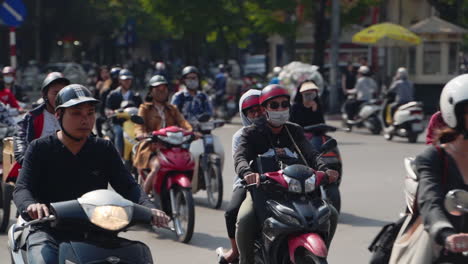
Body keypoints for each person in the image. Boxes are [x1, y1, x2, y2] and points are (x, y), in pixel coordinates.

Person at [13, 84, 170, 264]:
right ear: (58, 115)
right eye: (76, 113)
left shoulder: (103, 148)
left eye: (90, 113)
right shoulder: (39, 148)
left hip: (98, 229)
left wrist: (149, 208)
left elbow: (128, 186)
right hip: (49, 230)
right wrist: (31, 206)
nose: (85, 120)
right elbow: (22, 188)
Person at [234, 84, 339, 264]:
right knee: (244, 219)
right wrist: (248, 173)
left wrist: (324, 169)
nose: (280, 109)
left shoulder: (294, 130)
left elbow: (311, 154)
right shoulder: (251, 133)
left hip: (297, 189)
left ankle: (319, 254)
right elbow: (240, 157)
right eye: (274, 106)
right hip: (263, 189)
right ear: (265, 108)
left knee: (331, 213)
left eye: (284, 104)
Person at [415, 74, 468, 263]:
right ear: (457, 115)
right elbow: (431, 202)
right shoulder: (434, 158)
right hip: (447, 245)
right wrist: (446, 234)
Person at [216, 89, 263, 263]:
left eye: (260, 108)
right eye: (252, 111)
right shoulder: (241, 135)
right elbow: (240, 160)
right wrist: (249, 173)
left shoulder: (280, 129)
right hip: (247, 182)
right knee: (232, 213)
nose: (257, 114)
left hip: (278, 180)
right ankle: (236, 252)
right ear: (245, 115)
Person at [132, 75, 192, 193]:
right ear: (151, 91)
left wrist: (191, 132)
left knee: (188, 161)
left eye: (164, 89)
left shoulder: (172, 108)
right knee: (157, 167)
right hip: (151, 148)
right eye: (157, 89)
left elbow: (183, 123)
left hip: (172, 147)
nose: (161, 91)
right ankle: (143, 200)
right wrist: (141, 134)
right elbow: (139, 126)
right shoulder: (144, 108)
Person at [14, 72, 70, 167]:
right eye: (55, 93)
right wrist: (28, 161)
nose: (60, 97)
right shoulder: (31, 117)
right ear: (45, 95)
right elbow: (21, 141)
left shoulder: (74, 115)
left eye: (63, 93)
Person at [106, 69, 142, 155]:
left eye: (129, 79)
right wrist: (111, 112)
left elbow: (141, 108)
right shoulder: (113, 94)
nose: (127, 82)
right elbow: (107, 109)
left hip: (133, 122)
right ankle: (119, 156)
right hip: (117, 122)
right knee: (119, 132)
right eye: (125, 80)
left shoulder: (136, 95)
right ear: (120, 80)